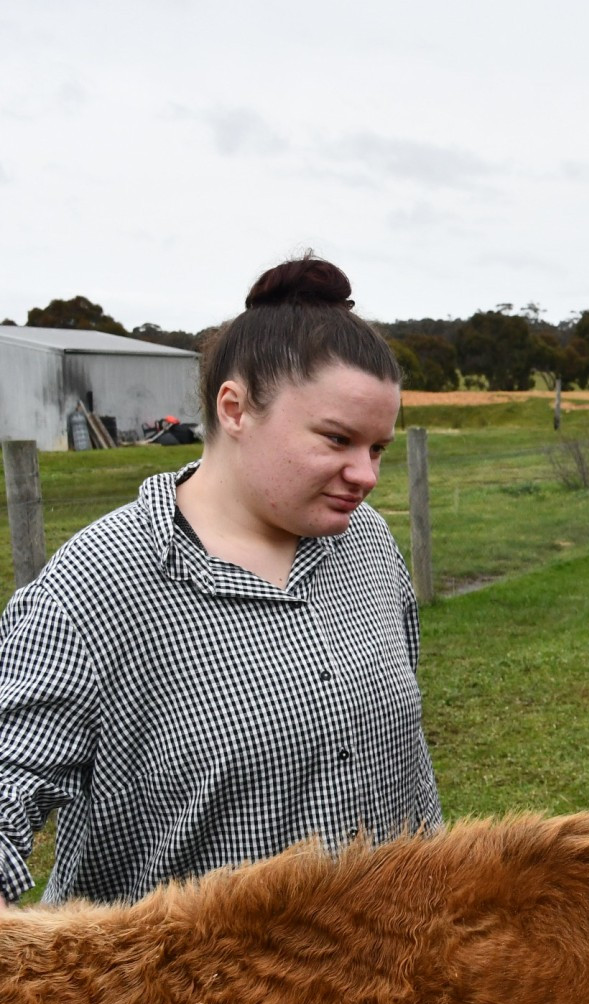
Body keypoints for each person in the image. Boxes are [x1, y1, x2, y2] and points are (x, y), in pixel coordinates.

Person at [0, 255, 440, 908]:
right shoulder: (92, 591)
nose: (366, 474)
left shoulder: (368, 543)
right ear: (234, 409)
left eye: (376, 448)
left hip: (400, 982)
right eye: (337, 439)